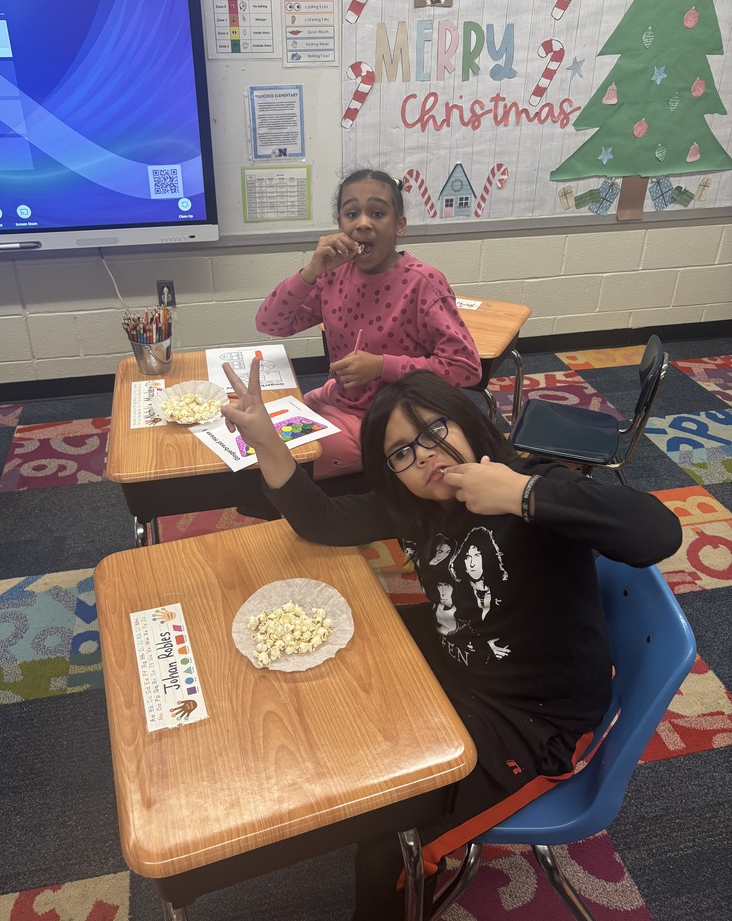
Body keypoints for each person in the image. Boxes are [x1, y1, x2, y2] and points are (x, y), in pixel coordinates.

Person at [220, 359, 682, 921]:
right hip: (461, 664)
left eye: (435, 430)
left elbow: (659, 533)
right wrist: (267, 442)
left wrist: (523, 493)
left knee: (387, 833)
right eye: (402, 454)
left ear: (466, 421)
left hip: (535, 722)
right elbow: (322, 520)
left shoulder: (532, 488)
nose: (426, 456)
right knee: (342, 667)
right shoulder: (419, 506)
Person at [254, 169, 481, 480]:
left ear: (399, 225)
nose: (363, 223)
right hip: (337, 398)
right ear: (340, 225)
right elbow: (269, 322)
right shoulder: (333, 274)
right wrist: (311, 271)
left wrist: (381, 366)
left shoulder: (422, 282)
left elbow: (466, 367)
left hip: (394, 419)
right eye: (351, 213)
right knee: (259, 431)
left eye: (377, 213)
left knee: (284, 459)